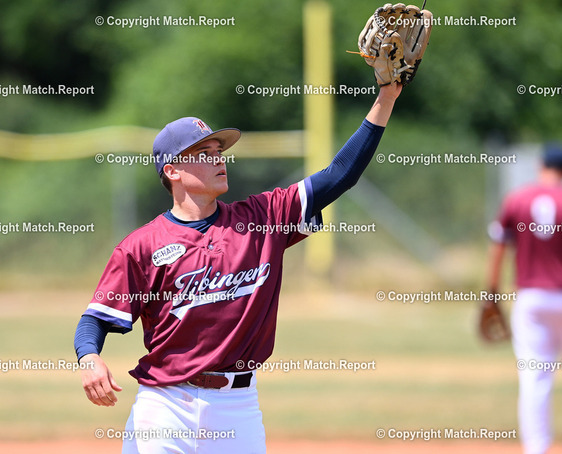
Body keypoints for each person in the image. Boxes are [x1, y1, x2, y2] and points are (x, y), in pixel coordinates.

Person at [73, 82, 402, 453]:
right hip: (165, 408)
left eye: (219, 151)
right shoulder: (142, 245)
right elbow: (95, 319)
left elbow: (341, 174)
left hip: (238, 408)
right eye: (204, 153)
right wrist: (90, 358)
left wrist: (386, 97)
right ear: (173, 170)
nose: (219, 159)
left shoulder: (263, 219)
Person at [487, 143, 562, 454]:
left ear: (540, 166)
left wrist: (491, 292)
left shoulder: (517, 199)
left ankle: (536, 448)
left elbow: (498, 246)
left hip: (530, 299)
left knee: (534, 376)